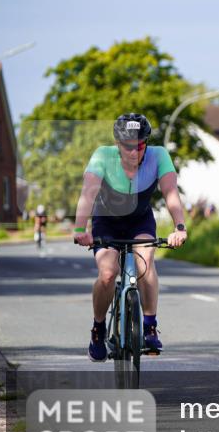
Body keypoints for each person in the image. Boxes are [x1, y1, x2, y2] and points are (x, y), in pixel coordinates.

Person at [72, 114, 188, 361]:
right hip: (107, 221)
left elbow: (170, 192)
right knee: (107, 273)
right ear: (117, 144)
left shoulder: (159, 156)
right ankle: (98, 328)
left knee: (146, 261)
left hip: (140, 220)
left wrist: (179, 227)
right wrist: (81, 230)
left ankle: (149, 326)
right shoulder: (102, 156)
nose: (134, 152)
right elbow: (88, 194)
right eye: (127, 146)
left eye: (140, 145)